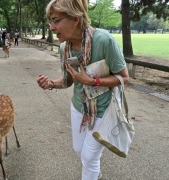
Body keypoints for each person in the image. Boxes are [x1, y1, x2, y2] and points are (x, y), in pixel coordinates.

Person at [36, 0, 129, 180]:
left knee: (88, 156)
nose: (51, 27)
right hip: (78, 107)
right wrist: (51, 84)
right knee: (79, 150)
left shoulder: (103, 40)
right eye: (50, 22)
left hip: (103, 110)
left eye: (56, 20)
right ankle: (94, 170)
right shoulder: (64, 48)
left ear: (75, 19)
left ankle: (92, 170)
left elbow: (124, 77)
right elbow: (68, 81)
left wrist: (92, 81)